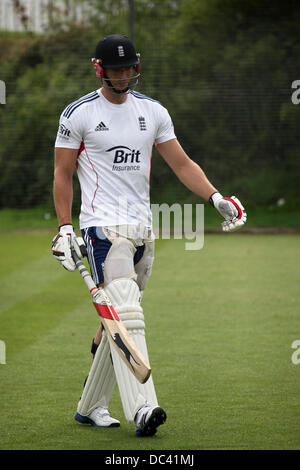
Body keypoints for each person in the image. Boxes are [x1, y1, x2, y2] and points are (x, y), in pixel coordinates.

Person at [52, 34, 247, 437]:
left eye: (128, 69)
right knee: (127, 312)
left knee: (119, 320)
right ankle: (144, 408)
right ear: (98, 68)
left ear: (136, 67)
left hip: (143, 229)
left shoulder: (153, 112)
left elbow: (181, 162)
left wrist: (215, 197)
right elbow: (63, 173)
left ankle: (90, 407)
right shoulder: (79, 114)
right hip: (100, 228)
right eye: (115, 70)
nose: (122, 77)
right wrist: (65, 227)